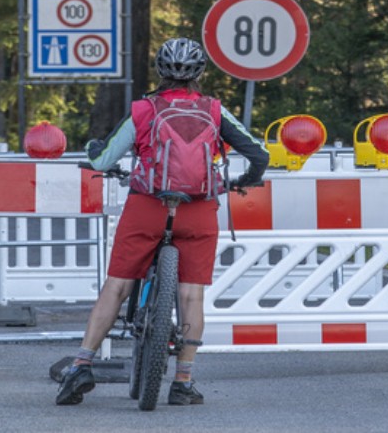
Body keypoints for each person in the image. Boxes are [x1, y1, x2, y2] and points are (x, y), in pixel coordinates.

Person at [56, 37, 269, 407]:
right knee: (191, 294)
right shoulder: (214, 110)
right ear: (199, 74)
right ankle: (183, 381)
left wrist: (93, 151)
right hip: (199, 210)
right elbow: (259, 153)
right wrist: (247, 179)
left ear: (160, 71)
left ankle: (81, 364)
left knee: (118, 284)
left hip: (147, 207)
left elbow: (104, 161)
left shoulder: (144, 109)